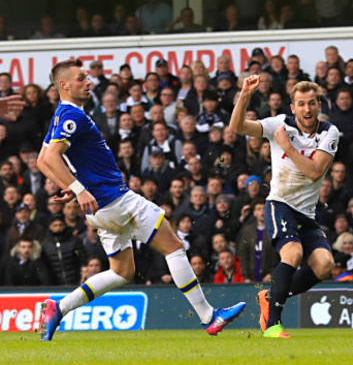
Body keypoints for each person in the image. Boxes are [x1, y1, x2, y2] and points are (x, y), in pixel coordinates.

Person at [35, 59, 245, 341]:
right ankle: (209, 316)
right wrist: (77, 189)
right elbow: (49, 158)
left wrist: (71, 188)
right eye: (82, 78)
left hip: (100, 209)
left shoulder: (61, 116)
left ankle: (58, 308)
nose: (89, 82)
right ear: (64, 85)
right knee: (173, 246)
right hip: (115, 200)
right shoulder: (72, 117)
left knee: (122, 271)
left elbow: (41, 161)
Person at [229, 75, 340, 338]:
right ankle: (273, 325)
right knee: (293, 254)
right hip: (280, 204)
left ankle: (270, 296)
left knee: (325, 265)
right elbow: (237, 127)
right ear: (293, 107)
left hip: (307, 213)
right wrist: (245, 94)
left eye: (312, 103)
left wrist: (286, 146)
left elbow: (314, 172)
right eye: (301, 104)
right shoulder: (279, 123)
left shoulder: (329, 132)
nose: (307, 109)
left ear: (319, 105)